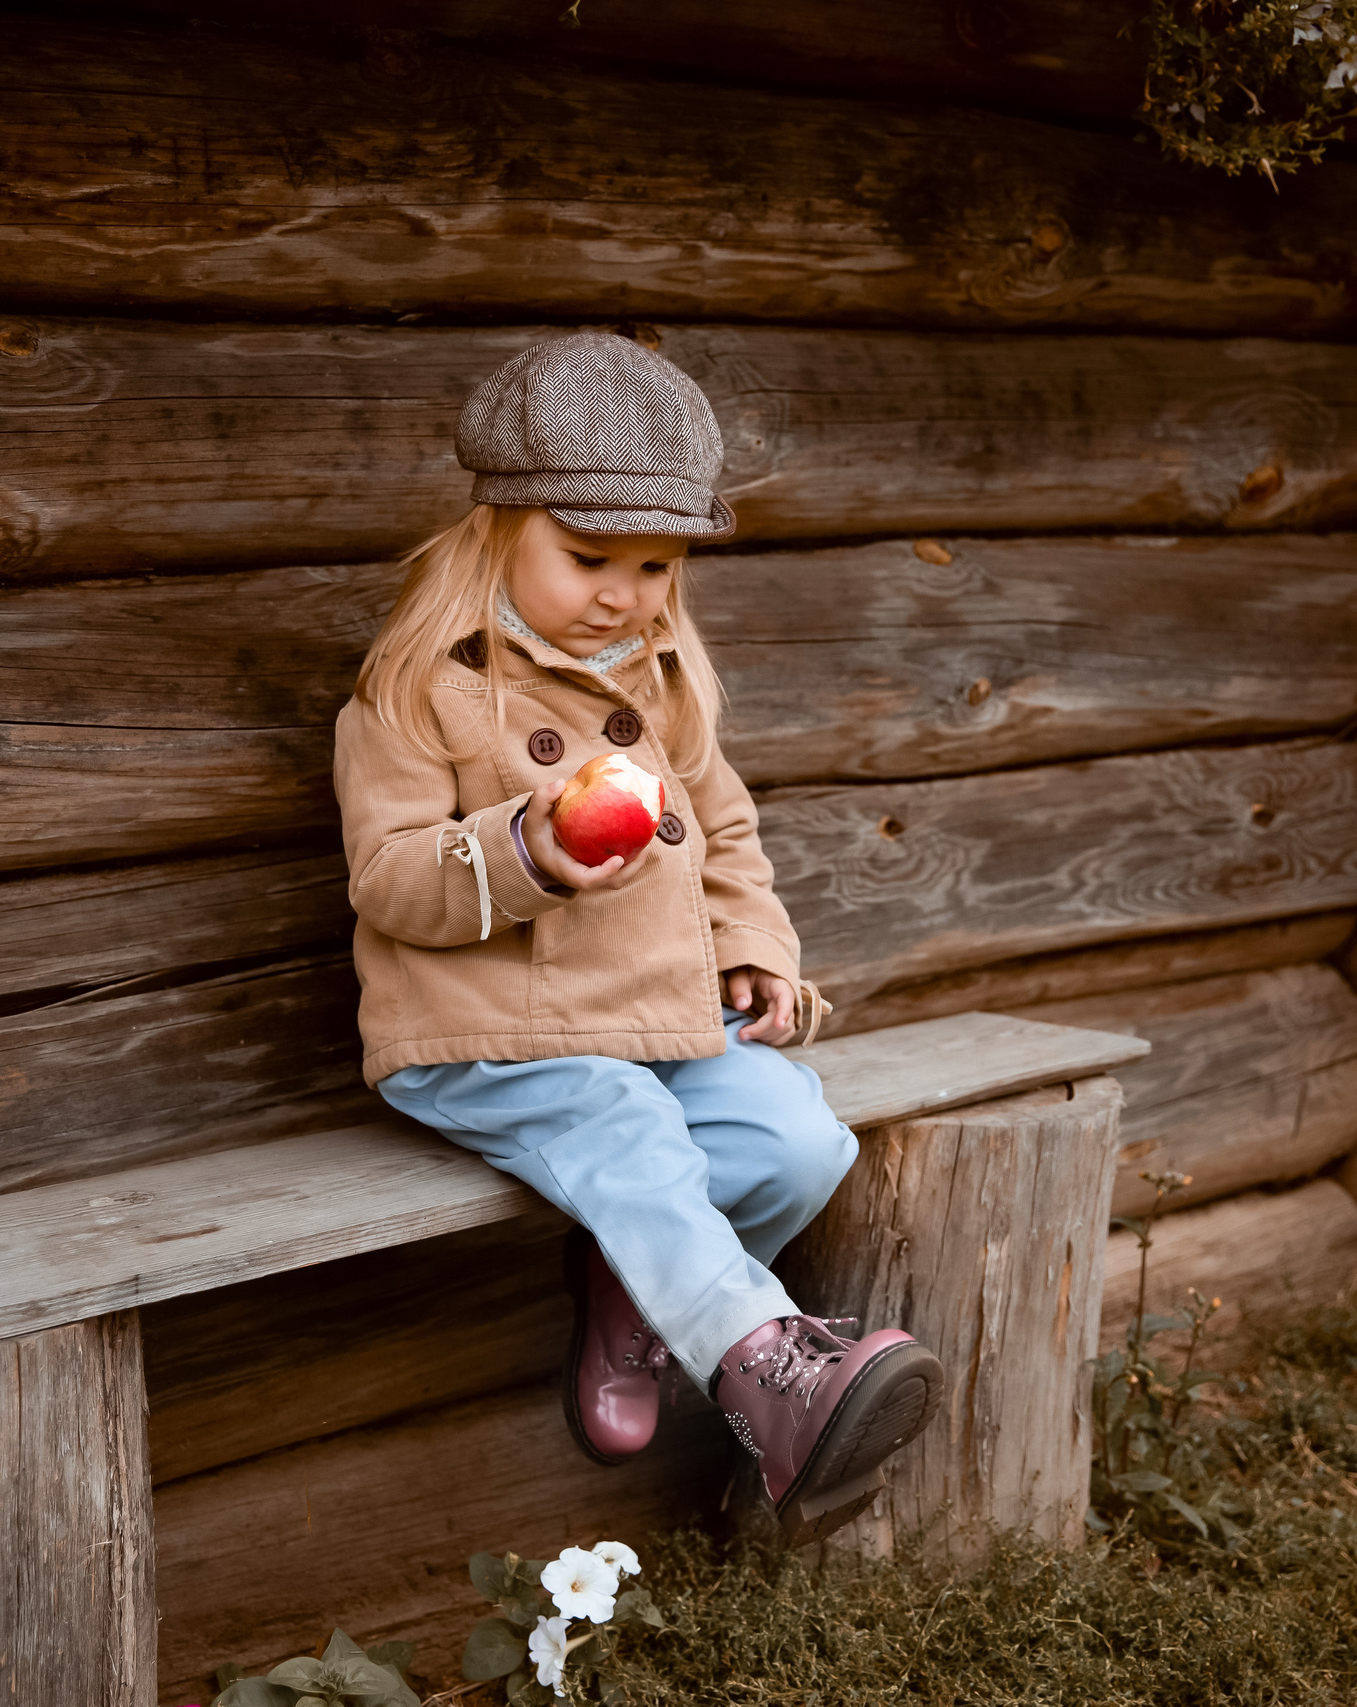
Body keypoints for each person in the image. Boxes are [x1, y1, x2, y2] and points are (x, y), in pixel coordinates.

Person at [332, 331, 941, 1545]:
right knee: (621, 1130)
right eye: (590, 555)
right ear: (497, 528)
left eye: (656, 563)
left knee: (796, 1139)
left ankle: (642, 1295)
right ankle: (770, 1378)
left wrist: (751, 944)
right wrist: (524, 851)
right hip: (493, 1035)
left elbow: (722, 832)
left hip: (653, 1015)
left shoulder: (660, 685)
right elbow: (391, 881)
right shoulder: (413, 692)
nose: (624, 591)